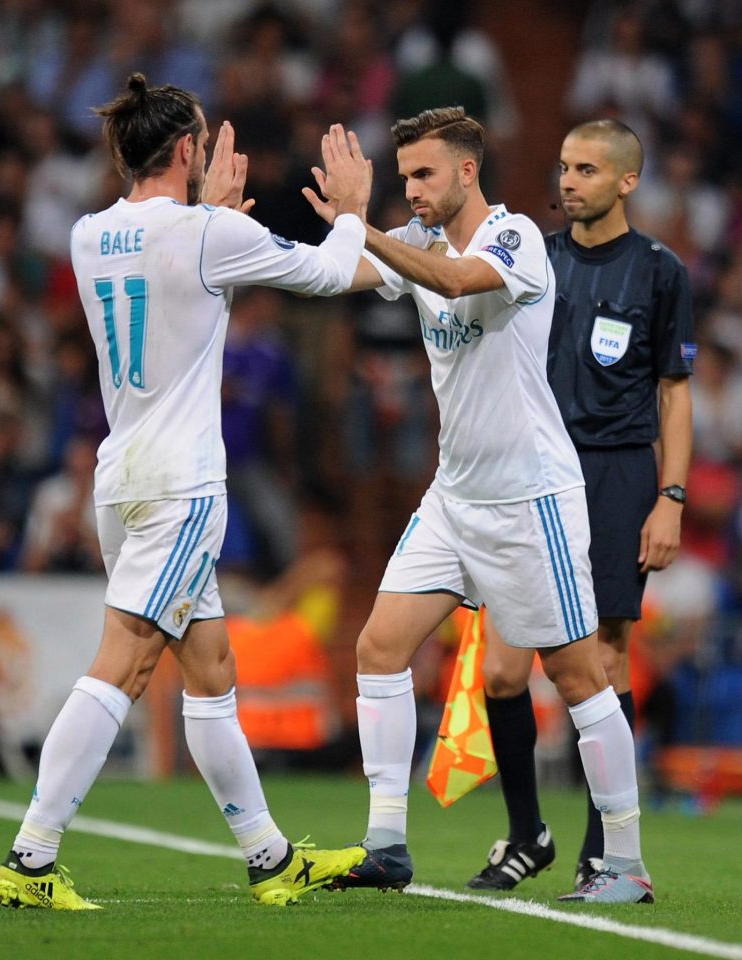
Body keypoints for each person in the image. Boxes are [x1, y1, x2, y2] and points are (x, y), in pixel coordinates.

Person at [0, 72, 372, 911]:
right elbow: (330, 273)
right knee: (123, 666)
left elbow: (179, 289)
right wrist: (350, 206)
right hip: (181, 485)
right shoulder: (205, 234)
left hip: (120, 476)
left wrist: (220, 222)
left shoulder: (90, 234)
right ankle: (30, 857)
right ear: (191, 151)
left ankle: (270, 859)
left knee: (211, 671)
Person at [303, 106, 654, 904]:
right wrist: (217, 240)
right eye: (403, 179)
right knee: (378, 648)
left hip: (528, 501)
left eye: (423, 175)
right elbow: (335, 273)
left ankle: (624, 864)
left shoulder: (517, 237)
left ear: (467, 170)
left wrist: (362, 224)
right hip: (454, 497)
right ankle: (386, 844)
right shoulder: (417, 242)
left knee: (579, 676)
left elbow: (459, 283)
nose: (412, 192)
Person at [467, 119, 693, 895]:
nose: (567, 182)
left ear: (626, 181)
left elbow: (673, 392)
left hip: (613, 472)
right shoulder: (540, 260)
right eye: (563, 167)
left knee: (602, 655)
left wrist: (669, 497)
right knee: (501, 670)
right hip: (528, 473)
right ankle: (527, 832)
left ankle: (606, 853)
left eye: (586, 170)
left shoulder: (659, 271)